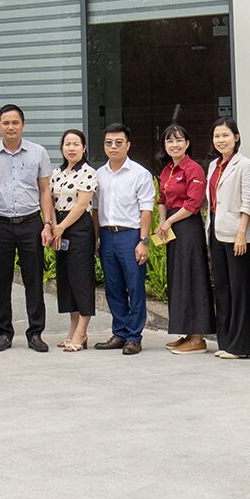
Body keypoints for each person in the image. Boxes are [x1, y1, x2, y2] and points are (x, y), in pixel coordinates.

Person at [0, 104, 55, 353]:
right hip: (0, 223)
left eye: (15, 122)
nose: (10, 127)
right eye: (6, 123)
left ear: (23, 125)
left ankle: (35, 333)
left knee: (34, 280)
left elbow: (44, 190)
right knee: (1, 281)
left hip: (31, 223)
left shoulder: (38, 152)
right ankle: (4, 333)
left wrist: (47, 224)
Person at [93, 124, 154, 354]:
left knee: (135, 287)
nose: (113, 147)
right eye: (109, 142)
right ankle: (119, 333)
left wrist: (143, 241)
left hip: (130, 235)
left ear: (128, 145)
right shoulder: (98, 174)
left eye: (118, 142)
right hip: (107, 235)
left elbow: (146, 210)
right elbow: (95, 209)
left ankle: (134, 337)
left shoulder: (140, 174)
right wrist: (96, 238)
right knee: (113, 287)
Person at [159, 123, 215, 354]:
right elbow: (162, 200)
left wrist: (169, 221)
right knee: (178, 278)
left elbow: (193, 204)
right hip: (171, 227)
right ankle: (187, 333)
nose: (174, 144)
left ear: (187, 143)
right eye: (170, 141)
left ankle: (198, 337)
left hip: (188, 227)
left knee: (193, 276)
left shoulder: (194, 169)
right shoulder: (167, 170)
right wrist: (162, 222)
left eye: (179, 140)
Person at [207, 117, 250, 359]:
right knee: (223, 288)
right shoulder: (213, 166)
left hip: (237, 235)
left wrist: (241, 234)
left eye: (225, 135)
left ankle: (240, 346)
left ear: (236, 137)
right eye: (217, 136)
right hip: (217, 232)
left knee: (239, 290)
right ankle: (225, 342)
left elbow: (248, 201)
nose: (221, 140)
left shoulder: (245, 165)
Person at [49, 128, 98, 352]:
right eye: (67, 144)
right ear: (62, 148)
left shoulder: (88, 172)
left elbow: (81, 204)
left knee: (81, 279)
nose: (71, 148)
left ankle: (82, 332)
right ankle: (72, 329)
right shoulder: (56, 173)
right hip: (59, 226)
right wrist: (53, 226)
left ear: (84, 148)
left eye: (76, 144)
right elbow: (50, 201)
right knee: (67, 280)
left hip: (78, 227)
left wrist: (61, 227)